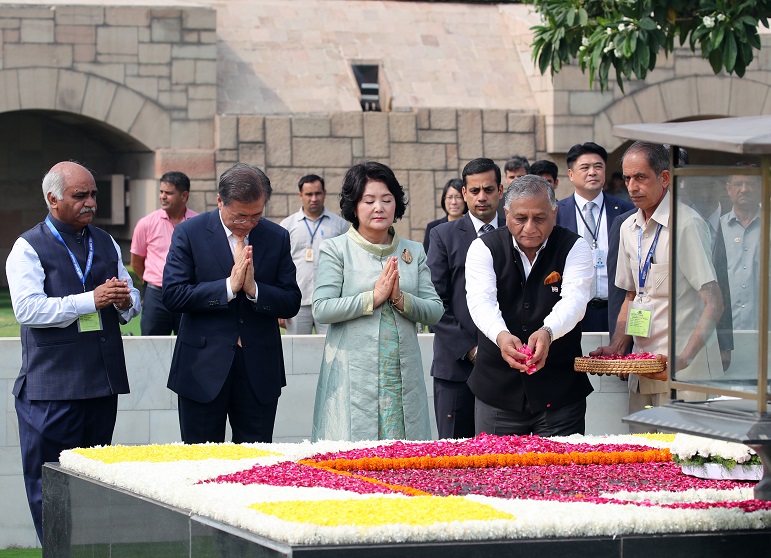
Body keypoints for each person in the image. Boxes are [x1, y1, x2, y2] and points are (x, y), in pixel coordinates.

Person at [6, 161, 141, 542]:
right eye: (80, 196)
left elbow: (132, 304)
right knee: (50, 488)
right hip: (51, 391)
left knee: (92, 486)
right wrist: (90, 300)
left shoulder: (105, 241)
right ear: (53, 200)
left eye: (93, 194)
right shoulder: (27, 247)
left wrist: (121, 301)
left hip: (101, 385)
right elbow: (28, 309)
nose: (90, 203)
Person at [163, 163, 301, 444]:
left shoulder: (276, 237)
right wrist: (228, 287)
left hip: (259, 369)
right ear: (220, 201)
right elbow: (173, 294)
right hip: (202, 369)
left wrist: (254, 290)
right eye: (240, 215)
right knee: (201, 461)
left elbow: (291, 301)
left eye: (256, 215)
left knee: (255, 462)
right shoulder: (190, 233)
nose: (248, 223)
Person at [592, 142, 723, 427]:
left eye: (641, 177)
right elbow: (631, 295)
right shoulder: (628, 227)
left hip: (683, 376)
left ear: (664, 178)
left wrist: (683, 359)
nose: (632, 186)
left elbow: (713, 303)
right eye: (627, 178)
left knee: (683, 460)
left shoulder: (686, 223)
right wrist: (616, 346)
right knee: (645, 460)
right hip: (643, 367)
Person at [311, 161, 444, 441]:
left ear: (397, 204)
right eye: (368, 200)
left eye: (386, 199)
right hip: (353, 377)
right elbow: (322, 308)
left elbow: (434, 311)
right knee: (354, 459)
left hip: (401, 377)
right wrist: (373, 297)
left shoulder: (413, 251)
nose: (379, 208)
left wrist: (400, 299)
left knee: (404, 459)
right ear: (354, 206)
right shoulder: (337, 249)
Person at [465, 174, 595, 436]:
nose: (530, 228)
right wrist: (501, 336)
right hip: (497, 392)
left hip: (559, 391)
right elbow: (481, 301)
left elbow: (575, 300)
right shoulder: (483, 248)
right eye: (520, 219)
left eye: (540, 218)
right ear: (506, 213)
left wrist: (548, 332)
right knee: (496, 474)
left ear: (555, 213)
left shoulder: (575, 247)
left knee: (561, 475)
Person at [427, 158, 505, 439]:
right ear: (464, 193)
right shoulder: (443, 235)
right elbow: (434, 300)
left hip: (507, 364)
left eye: (488, 189)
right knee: (454, 458)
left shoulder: (518, 231)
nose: (481, 197)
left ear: (500, 190)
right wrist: (469, 349)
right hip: (456, 366)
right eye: (474, 191)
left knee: (502, 460)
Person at [557, 142, 634, 334]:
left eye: (598, 167)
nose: (592, 172)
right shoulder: (557, 213)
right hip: (573, 312)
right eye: (585, 167)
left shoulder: (626, 212)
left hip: (615, 309)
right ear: (571, 174)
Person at [278, 174, 348, 334]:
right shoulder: (287, 226)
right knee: (297, 352)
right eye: (309, 194)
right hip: (297, 300)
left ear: (324, 193)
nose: (314, 198)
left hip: (330, 300)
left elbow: (348, 263)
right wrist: (281, 303)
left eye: (318, 193)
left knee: (331, 349)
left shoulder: (340, 225)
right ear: (300, 196)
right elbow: (279, 265)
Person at [130, 171, 197, 335]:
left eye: (168, 193)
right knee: (152, 348)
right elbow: (136, 262)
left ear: (184, 196)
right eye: (161, 192)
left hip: (187, 294)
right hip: (156, 295)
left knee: (190, 345)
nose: (163, 197)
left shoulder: (198, 224)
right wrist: (155, 280)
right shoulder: (146, 223)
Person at [720, 163, 761, 331]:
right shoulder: (717, 228)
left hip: (766, 331)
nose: (744, 189)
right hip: (728, 331)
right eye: (738, 184)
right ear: (728, 189)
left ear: (761, 187)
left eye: (750, 184)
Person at [423, 178, 466, 253]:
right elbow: (426, 258)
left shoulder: (471, 226)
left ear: (465, 199)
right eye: (449, 197)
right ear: (444, 200)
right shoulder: (433, 227)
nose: (454, 202)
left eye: (458, 197)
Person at [499, 156, 530, 220]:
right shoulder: (497, 202)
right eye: (512, 177)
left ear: (528, 177)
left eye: (520, 176)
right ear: (506, 178)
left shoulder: (537, 200)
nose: (516, 180)